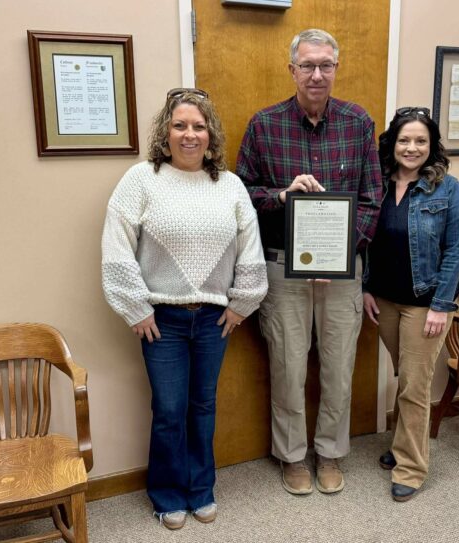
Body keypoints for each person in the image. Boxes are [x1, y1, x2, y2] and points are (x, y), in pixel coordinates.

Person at [102, 88, 267, 529]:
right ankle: (167, 494)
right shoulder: (141, 180)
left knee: (203, 407)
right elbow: (117, 246)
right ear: (166, 132)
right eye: (180, 126)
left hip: (214, 319)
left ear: (211, 134)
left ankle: (201, 488)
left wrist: (243, 301)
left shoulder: (229, 185)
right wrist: (135, 307)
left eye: (198, 126)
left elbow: (250, 246)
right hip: (162, 321)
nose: (189, 134)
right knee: (169, 411)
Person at [237, 28, 382, 496]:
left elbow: (372, 200)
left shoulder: (358, 123)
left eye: (325, 65)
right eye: (307, 65)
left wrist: (338, 255)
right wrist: (282, 195)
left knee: (339, 369)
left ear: (336, 68)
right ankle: (293, 457)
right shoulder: (264, 125)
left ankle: (331, 453)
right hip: (284, 268)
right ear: (292, 69)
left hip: (342, 273)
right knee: (288, 368)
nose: (316, 74)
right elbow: (241, 194)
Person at [362, 107, 459, 502]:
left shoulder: (448, 189)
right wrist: (366, 288)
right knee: (405, 376)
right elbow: (366, 241)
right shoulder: (378, 184)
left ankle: (411, 467)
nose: (412, 148)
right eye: (404, 140)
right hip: (385, 300)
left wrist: (442, 305)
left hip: (426, 303)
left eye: (421, 140)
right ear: (393, 143)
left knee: (415, 385)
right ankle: (404, 445)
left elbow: (455, 251)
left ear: (431, 145)